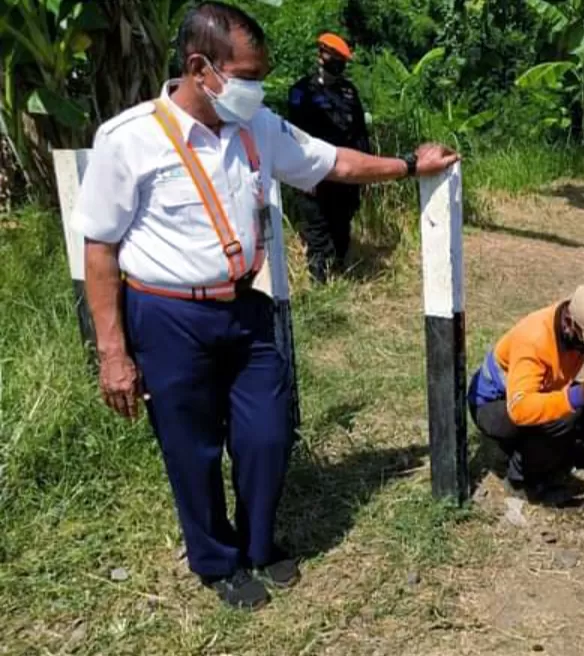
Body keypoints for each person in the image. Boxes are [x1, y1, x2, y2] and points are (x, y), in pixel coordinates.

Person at [76, 1, 458, 611]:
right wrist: (113, 353)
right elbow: (100, 249)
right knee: (192, 448)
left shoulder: (258, 127)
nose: (256, 88)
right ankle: (216, 561)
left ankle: (258, 543)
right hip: (168, 316)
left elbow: (334, 161)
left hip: (244, 308)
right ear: (199, 69)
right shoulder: (129, 140)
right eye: (246, 76)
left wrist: (411, 166)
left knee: (268, 432)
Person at [467, 283, 584, 503]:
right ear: (571, 324)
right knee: (567, 414)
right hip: (495, 406)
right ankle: (522, 479)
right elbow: (520, 408)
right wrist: (578, 396)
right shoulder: (534, 339)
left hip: (542, 393)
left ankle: (557, 451)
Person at [287, 33, 371, 282]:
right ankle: (319, 282)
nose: (338, 64)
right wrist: (302, 175)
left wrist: (365, 170)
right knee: (317, 229)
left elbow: (359, 133)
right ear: (321, 56)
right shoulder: (302, 91)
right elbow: (296, 136)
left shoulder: (349, 92)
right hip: (315, 172)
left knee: (342, 226)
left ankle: (342, 274)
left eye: (341, 60)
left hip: (346, 172)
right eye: (333, 58)